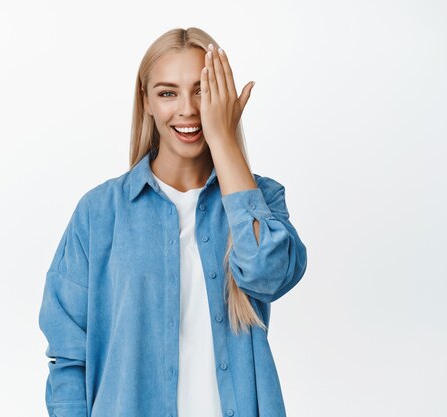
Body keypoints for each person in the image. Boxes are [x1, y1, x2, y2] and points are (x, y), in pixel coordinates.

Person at [38, 27, 308, 417]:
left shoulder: (261, 200)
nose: (187, 109)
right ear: (145, 101)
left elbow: (269, 274)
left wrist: (225, 141)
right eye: (168, 93)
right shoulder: (99, 213)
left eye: (202, 91)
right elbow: (67, 356)